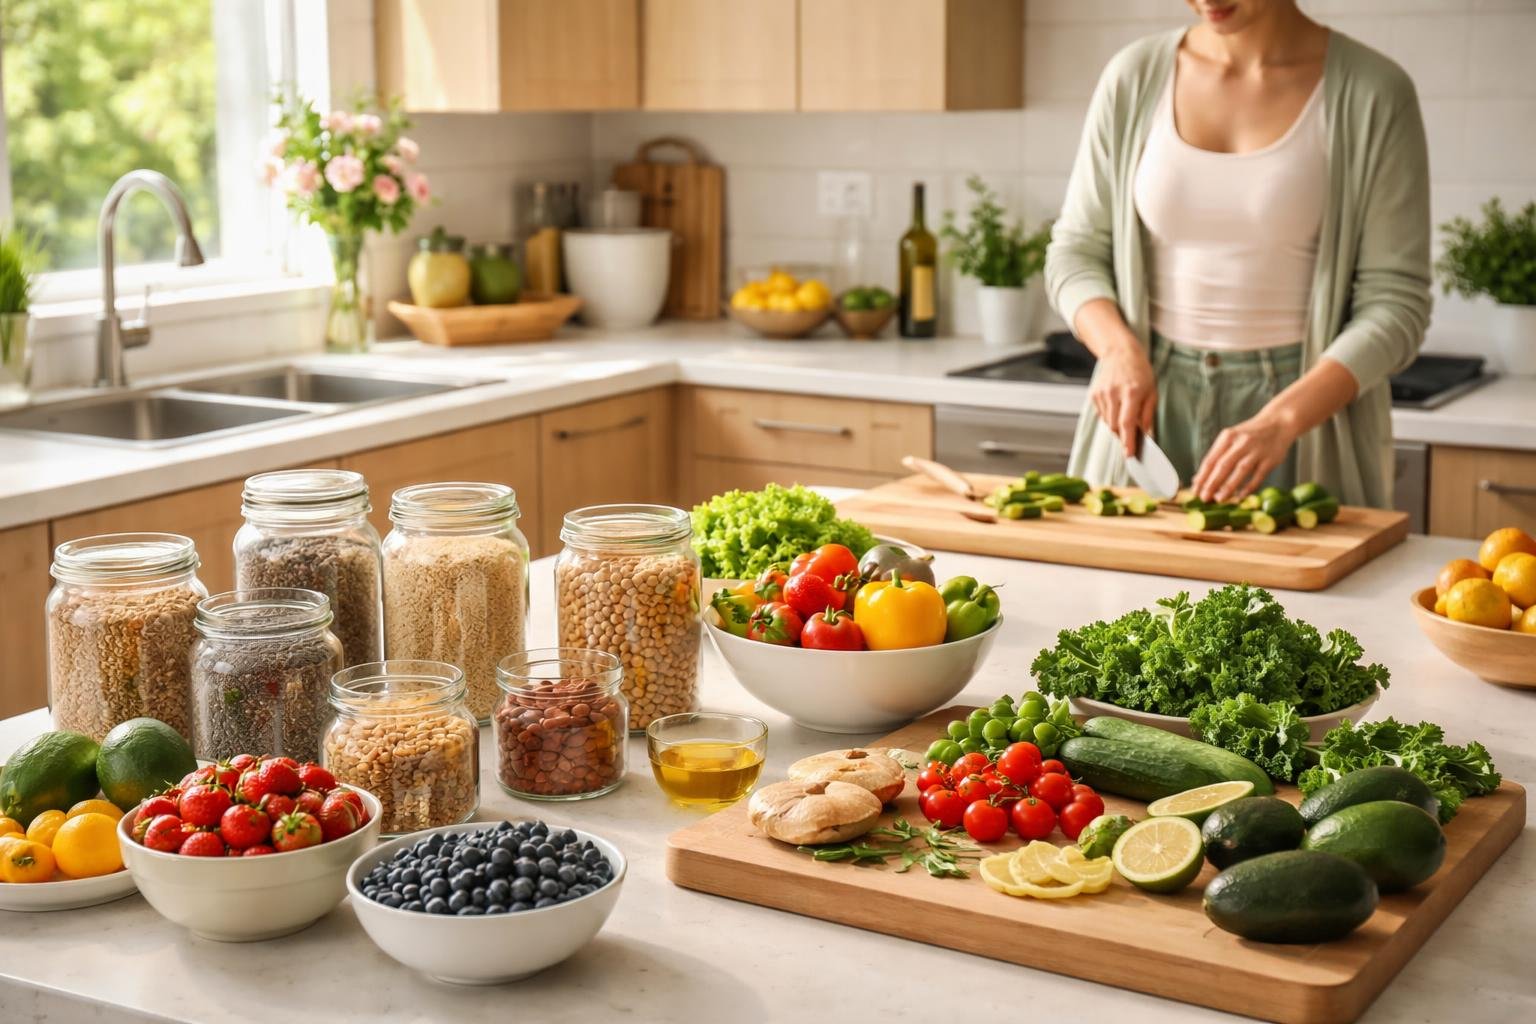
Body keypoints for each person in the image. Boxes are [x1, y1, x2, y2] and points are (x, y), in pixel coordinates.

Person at [1044, 0, 1431, 507]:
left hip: (1302, 414)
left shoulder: (1375, 92)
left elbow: (1397, 303)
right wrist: (1117, 351)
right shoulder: (1133, 76)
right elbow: (1074, 251)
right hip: (1150, 400)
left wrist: (1282, 420)